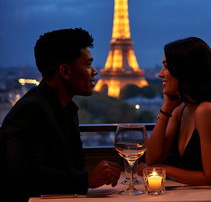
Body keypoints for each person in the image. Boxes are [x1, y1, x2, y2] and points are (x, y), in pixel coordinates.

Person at [0, 28, 121, 202]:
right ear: (65, 71)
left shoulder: (64, 108)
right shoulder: (31, 112)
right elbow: (23, 177)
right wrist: (86, 179)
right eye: (88, 65)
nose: (94, 71)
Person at [139, 37, 211, 201]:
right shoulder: (182, 110)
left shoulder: (207, 111)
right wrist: (166, 109)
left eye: (166, 66)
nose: (160, 73)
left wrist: (163, 169)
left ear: (186, 70)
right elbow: (152, 158)